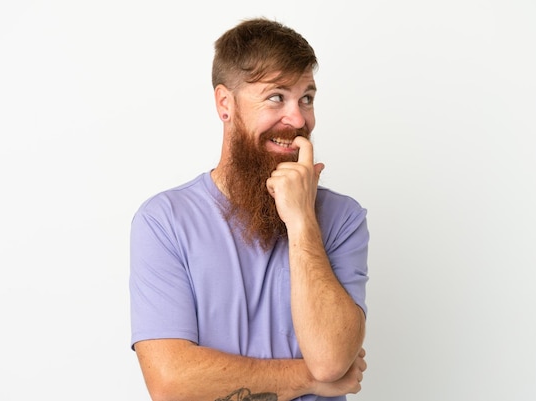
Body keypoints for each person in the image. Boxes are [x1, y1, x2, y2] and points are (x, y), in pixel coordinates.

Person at [130, 18, 369, 401]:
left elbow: (330, 360)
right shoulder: (165, 221)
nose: (299, 119)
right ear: (226, 104)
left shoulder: (343, 218)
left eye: (306, 97)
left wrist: (303, 219)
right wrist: (306, 380)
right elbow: (172, 383)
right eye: (277, 96)